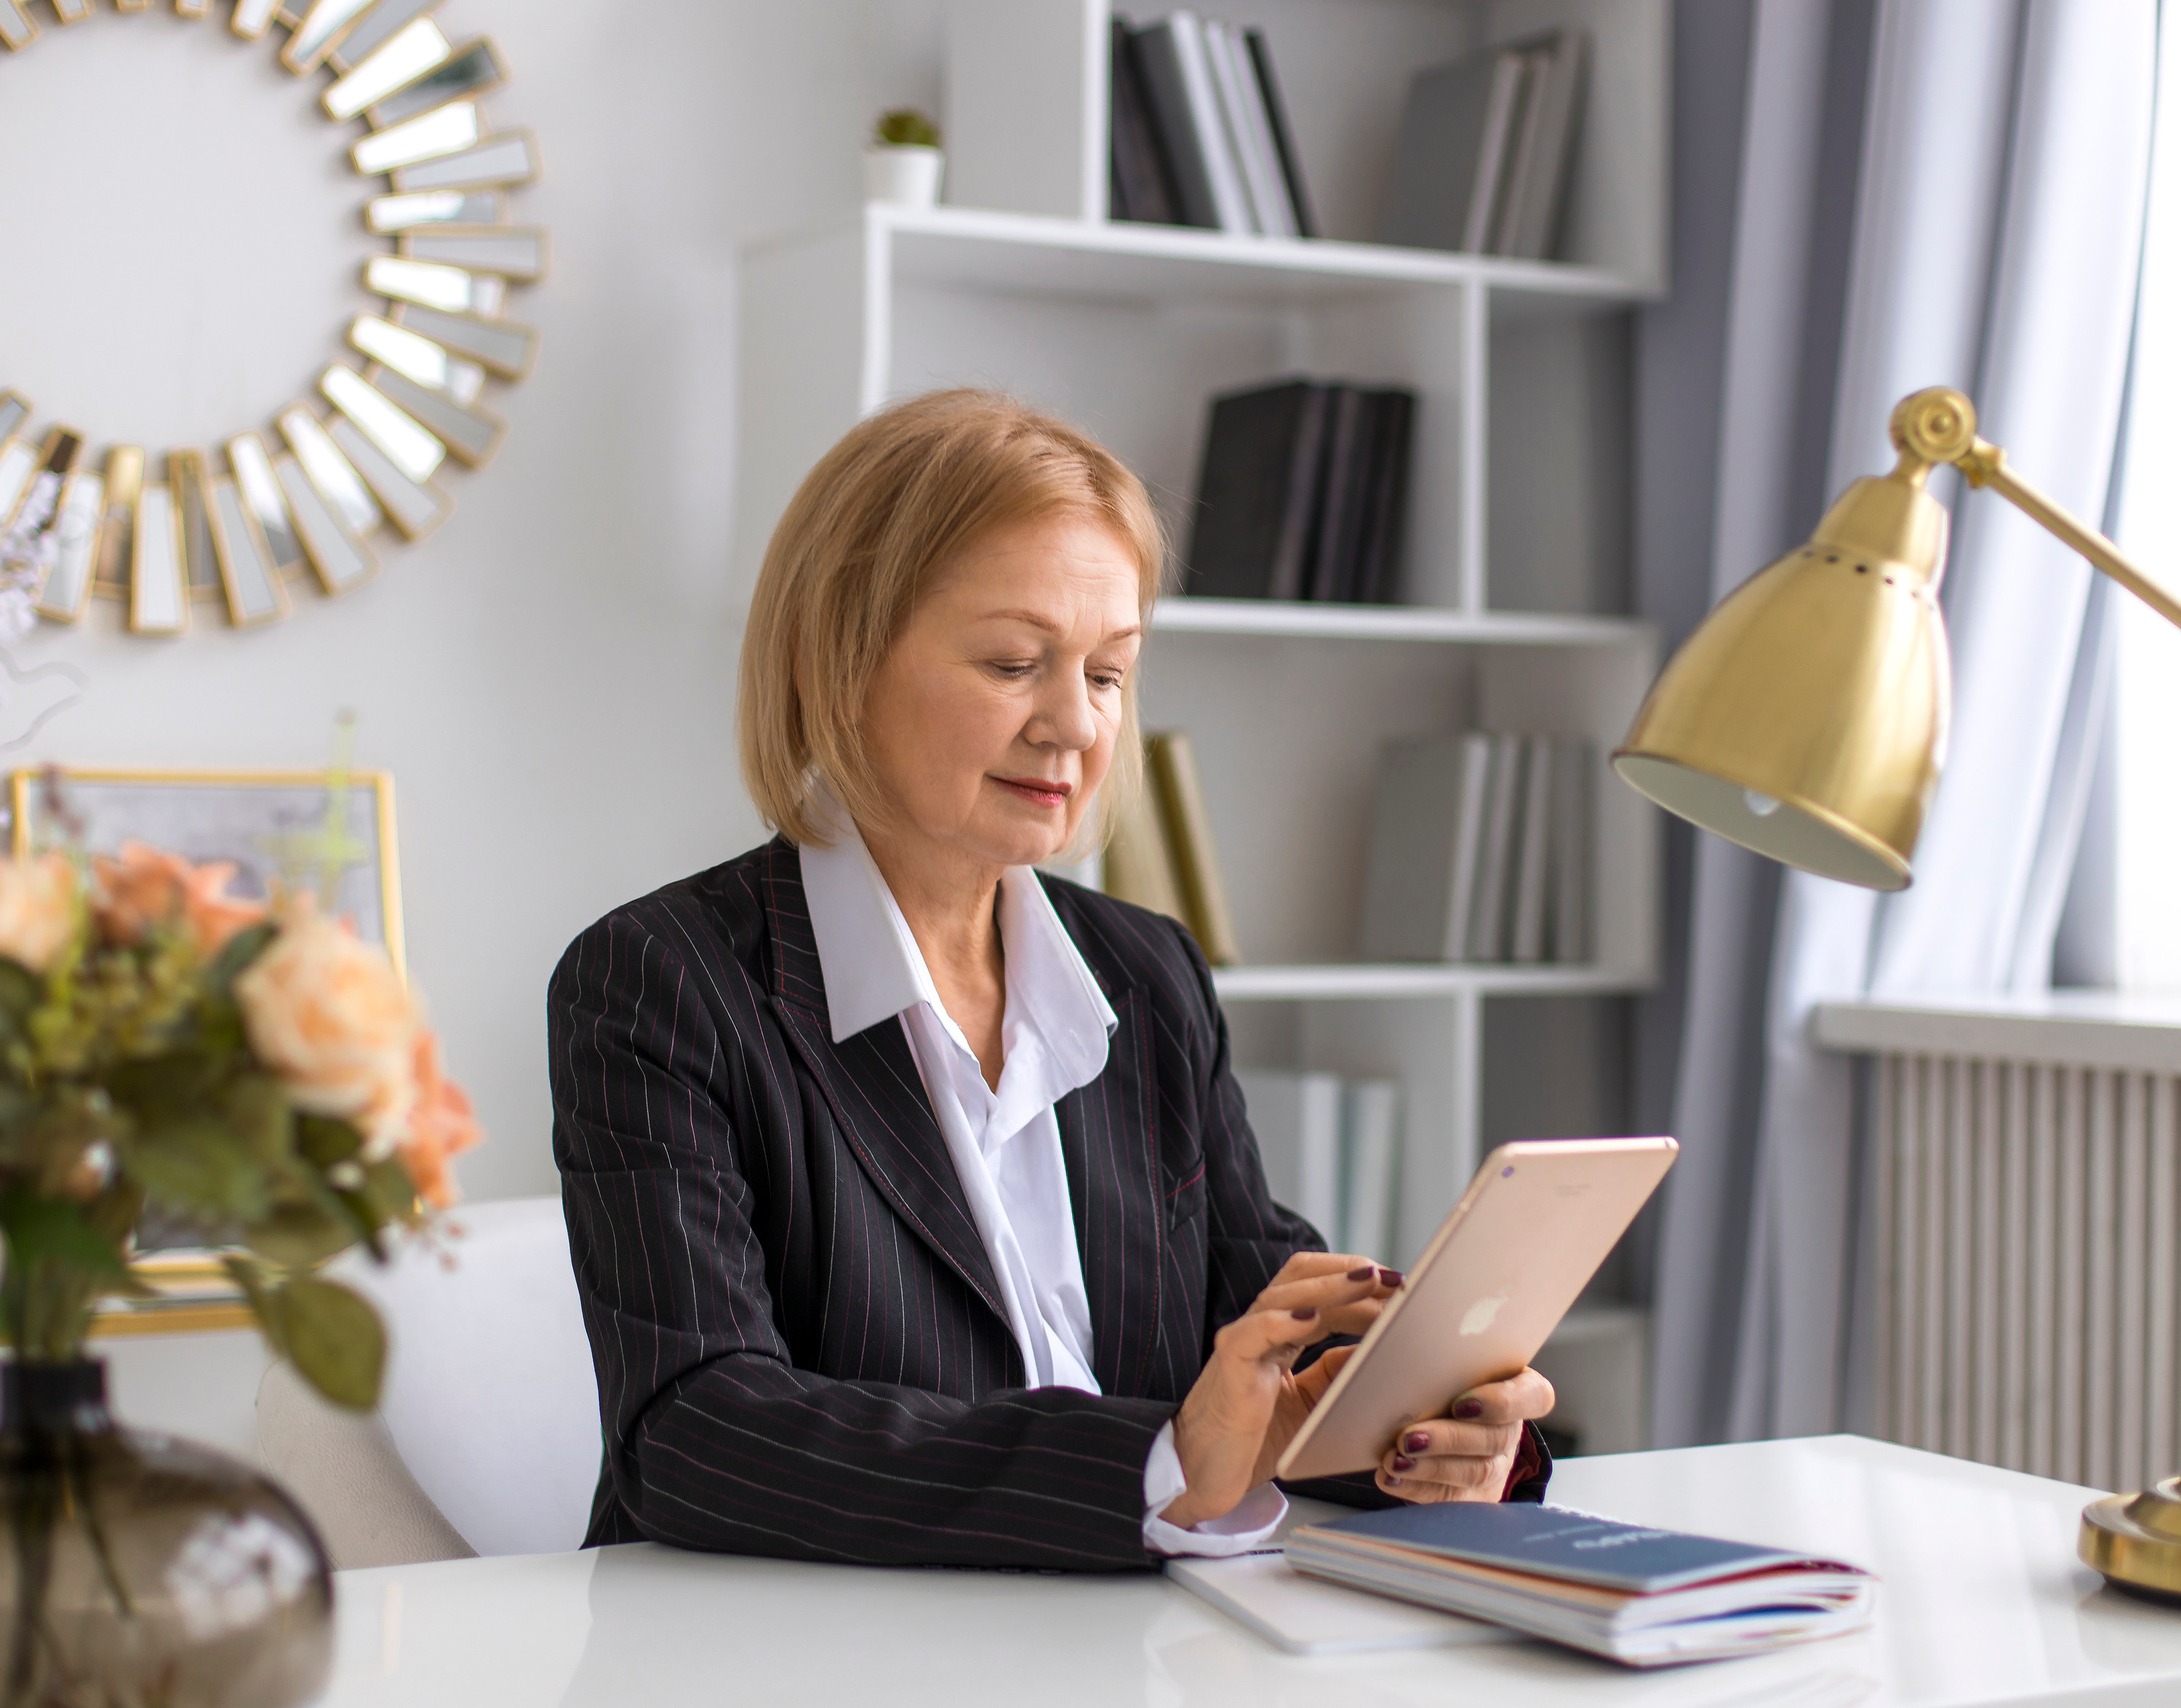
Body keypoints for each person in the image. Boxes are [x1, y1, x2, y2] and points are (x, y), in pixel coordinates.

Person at [550, 390, 1555, 1570]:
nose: (1075, 726)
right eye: (1015, 661)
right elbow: (696, 1431)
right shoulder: (660, 981)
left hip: (1136, 1633)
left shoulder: (1147, 972)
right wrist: (1158, 1464)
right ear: (841, 660)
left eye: (1110, 673)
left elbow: (1264, 1308)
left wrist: (1417, 1425)